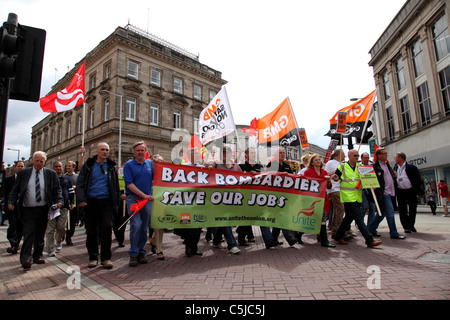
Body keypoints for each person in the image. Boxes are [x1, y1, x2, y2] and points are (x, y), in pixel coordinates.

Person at [8, 151, 63, 270]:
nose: (39, 163)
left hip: (43, 209)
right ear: (32, 161)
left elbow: (57, 189)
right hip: (28, 209)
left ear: (45, 162)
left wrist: (59, 201)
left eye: (41, 161)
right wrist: (11, 201)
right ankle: (26, 258)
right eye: (37, 160)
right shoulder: (24, 173)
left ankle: (37, 255)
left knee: (40, 233)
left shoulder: (50, 174)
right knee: (29, 232)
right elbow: (15, 189)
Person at [76, 142, 121, 269]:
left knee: (107, 228)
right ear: (97, 151)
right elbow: (80, 184)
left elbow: (116, 186)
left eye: (107, 150)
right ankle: (93, 257)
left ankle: (106, 258)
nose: (105, 152)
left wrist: (116, 201)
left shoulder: (111, 166)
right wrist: (81, 199)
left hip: (107, 201)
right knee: (91, 230)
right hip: (91, 201)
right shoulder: (88, 165)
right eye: (102, 149)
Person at [331, 149, 382, 248]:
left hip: (357, 197)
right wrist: (335, 177)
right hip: (348, 197)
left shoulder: (362, 167)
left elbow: (368, 181)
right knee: (359, 219)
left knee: (348, 218)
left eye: (357, 155)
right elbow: (336, 176)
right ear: (349, 156)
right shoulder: (342, 166)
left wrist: (372, 185)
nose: (357, 157)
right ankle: (369, 239)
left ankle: (338, 236)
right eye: (354, 155)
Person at [239, 148, 278, 249]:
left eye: (254, 153)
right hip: (245, 197)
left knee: (262, 218)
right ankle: (241, 237)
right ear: (246, 154)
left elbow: (266, 179)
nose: (253, 154)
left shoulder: (259, 167)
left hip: (257, 197)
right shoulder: (241, 166)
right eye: (251, 153)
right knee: (245, 219)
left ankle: (269, 241)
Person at [123, 141, 155, 266]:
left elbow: (156, 178)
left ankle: (141, 252)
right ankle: (133, 253)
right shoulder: (129, 165)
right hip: (133, 199)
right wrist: (144, 195)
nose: (140, 152)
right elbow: (129, 184)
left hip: (146, 201)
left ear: (146, 151)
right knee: (136, 225)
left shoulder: (149, 164)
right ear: (134, 152)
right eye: (138, 150)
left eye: (142, 150)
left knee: (144, 227)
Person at [369, 148, 406, 239]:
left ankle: (371, 228)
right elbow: (371, 179)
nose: (386, 155)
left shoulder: (387, 165)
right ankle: (394, 233)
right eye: (384, 153)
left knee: (383, 213)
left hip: (391, 191)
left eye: (386, 153)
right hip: (383, 193)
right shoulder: (375, 166)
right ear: (379, 155)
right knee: (390, 213)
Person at [266, 147, 298, 247]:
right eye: (280, 153)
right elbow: (268, 176)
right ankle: (290, 238)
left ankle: (274, 239)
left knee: (279, 216)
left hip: (285, 196)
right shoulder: (271, 164)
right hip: (275, 196)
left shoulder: (287, 165)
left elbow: (293, 178)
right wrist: (280, 174)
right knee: (281, 215)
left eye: (283, 153)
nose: (282, 154)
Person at [211, 147, 241, 254]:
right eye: (222, 153)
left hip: (232, 199)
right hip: (218, 199)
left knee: (222, 222)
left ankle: (216, 240)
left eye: (226, 153)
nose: (224, 155)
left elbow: (242, 180)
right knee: (225, 219)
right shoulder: (216, 165)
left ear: (231, 154)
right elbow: (208, 174)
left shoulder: (236, 167)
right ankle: (232, 245)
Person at [303, 154, 335, 248]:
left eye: (319, 159)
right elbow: (307, 183)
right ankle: (323, 240)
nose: (318, 161)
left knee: (322, 218)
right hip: (312, 198)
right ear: (312, 163)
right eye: (316, 160)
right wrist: (323, 179)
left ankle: (324, 240)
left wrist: (329, 181)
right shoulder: (308, 172)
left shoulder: (324, 171)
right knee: (314, 217)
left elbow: (328, 186)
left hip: (322, 197)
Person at [176, 148, 203, 257]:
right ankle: (188, 247)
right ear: (190, 156)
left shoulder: (202, 168)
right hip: (186, 202)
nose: (198, 155)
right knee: (187, 226)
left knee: (198, 226)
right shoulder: (184, 167)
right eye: (196, 153)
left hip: (199, 201)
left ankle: (194, 248)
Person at [45, 161, 74, 256]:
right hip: (51, 207)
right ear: (53, 168)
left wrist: (72, 202)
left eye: (60, 166)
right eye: (56, 166)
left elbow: (70, 193)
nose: (58, 168)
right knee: (50, 229)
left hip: (64, 207)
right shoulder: (49, 179)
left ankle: (58, 241)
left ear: (63, 168)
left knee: (61, 227)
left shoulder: (67, 179)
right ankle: (50, 249)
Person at [393, 152, 423, 233]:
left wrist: (416, 190)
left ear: (400, 158)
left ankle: (411, 225)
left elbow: (418, 179)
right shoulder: (395, 168)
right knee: (402, 210)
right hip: (400, 191)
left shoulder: (411, 167)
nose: (395, 159)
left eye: (396, 157)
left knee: (412, 209)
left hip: (411, 191)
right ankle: (406, 226)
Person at [324, 149, 346, 238]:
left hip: (342, 189)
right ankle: (336, 230)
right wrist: (331, 174)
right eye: (343, 154)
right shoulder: (330, 163)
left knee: (338, 210)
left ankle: (337, 228)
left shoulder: (343, 164)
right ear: (338, 155)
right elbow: (325, 175)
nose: (345, 156)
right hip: (334, 188)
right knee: (340, 208)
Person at [4, 161, 25, 255]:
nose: (20, 168)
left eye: (22, 166)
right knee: (13, 224)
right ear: (15, 167)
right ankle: (13, 243)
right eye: (19, 166)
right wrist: (9, 202)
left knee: (20, 226)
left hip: (22, 207)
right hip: (11, 206)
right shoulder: (8, 179)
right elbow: (5, 193)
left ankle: (16, 244)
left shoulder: (26, 179)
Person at [149, 154, 165, 259]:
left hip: (161, 202)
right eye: (156, 161)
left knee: (159, 226)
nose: (158, 163)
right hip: (148, 201)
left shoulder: (165, 173)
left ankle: (159, 249)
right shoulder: (148, 172)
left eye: (161, 161)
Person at [360, 152, 377, 229]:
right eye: (365, 158)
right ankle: (360, 222)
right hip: (363, 189)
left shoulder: (372, 166)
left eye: (367, 158)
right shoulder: (359, 167)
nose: (367, 159)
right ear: (362, 159)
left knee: (372, 208)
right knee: (365, 206)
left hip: (371, 190)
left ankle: (370, 226)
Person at [64, 161, 78, 245]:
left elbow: (80, 186)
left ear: (73, 167)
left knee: (72, 221)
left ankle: (69, 237)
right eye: (67, 165)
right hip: (65, 200)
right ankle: (62, 234)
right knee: (63, 221)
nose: (68, 167)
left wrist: (75, 187)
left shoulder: (77, 177)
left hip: (74, 201)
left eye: (70, 166)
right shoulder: (63, 176)